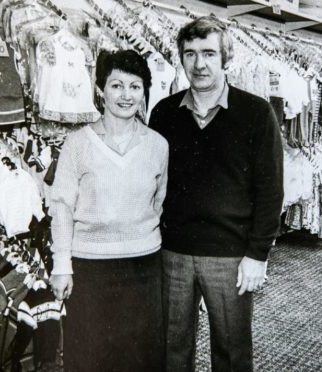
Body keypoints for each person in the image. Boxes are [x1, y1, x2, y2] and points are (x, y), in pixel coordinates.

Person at [149, 16, 284, 372]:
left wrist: (258, 254)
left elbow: (271, 191)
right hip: (173, 252)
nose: (199, 63)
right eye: (190, 54)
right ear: (181, 59)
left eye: (209, 53)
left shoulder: (257, 112)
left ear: (227, 58)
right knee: (171, 349)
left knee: (232, 351)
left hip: (230, 256)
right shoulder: (163, 114)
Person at [48, 49, 168, 372]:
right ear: (100, 89)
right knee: (89, 356)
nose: (125, 95)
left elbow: (158, 202)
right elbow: (61, 206)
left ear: (144, 92)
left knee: (140, 358)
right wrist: (62, 265)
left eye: (135, 86)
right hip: (90, 269)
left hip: (143, 268)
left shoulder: (158, 145)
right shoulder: (76, 144)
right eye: (116, 85)